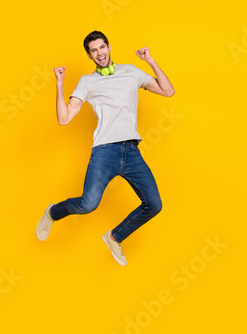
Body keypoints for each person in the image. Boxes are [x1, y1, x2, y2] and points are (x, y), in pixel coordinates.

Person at [36, 30, 175, 266]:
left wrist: (150, 61)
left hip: (131, 151)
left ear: (109, 47)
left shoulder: (131, 71)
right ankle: (53, 212)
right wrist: (59, 85)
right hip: (105, 151)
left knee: (154, 204)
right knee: (87, 204)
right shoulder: (87, 82)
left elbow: (168, 91)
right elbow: (64, 118)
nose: (99, 53)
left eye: (102, 47)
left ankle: (114, 237)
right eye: (93, 51)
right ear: (90, 56)